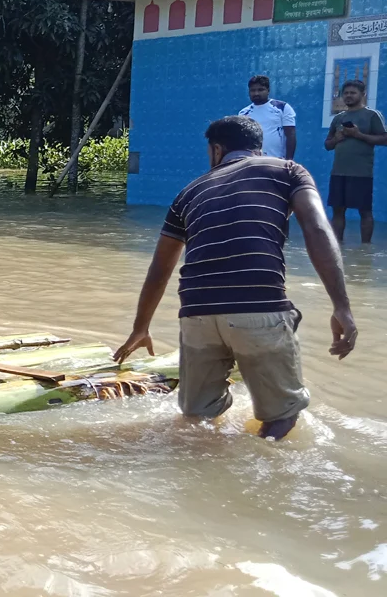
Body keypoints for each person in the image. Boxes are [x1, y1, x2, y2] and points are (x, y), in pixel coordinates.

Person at [115, 116, 356, 441]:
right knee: (282, 416)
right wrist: (341, 306)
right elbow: (316, 229)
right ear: (258, 146)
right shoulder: (288, 171)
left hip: (196, 315)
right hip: (257, 309)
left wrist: (140, 327)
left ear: (216, 149)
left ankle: (197, 479)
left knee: (196, 420)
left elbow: (160, 269)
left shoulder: (189, 192)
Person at [324, 80, 387, 244]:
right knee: (337, 211)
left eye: (353, 93)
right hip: (338, 172)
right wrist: (336, 139)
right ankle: (337, 246)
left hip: (361, 173)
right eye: (346, 93)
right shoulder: (339, 118)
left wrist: (359, 135)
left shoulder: (372, 115)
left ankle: (365, 249)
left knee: (365, 212)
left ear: (363, 94)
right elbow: (327, 144)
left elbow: (384, 139)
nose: (348, 96)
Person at [238, 75, 296, 160]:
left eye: (260, 90)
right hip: (252, 163)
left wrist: (289, 160)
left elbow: (291, 135)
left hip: (277, 161)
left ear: (268, 90)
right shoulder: (243, 113)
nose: (256, 93)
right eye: (253, 90)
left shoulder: (282, 108)